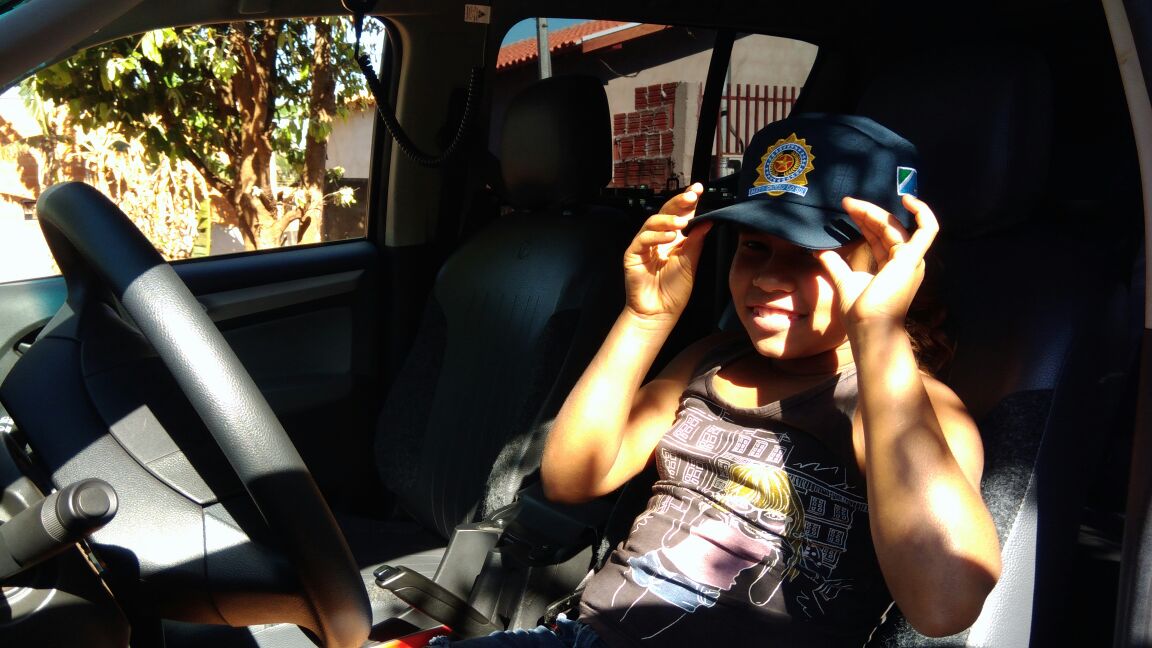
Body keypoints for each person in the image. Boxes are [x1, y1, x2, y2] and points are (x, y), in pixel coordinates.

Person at [429, 113, 1001, 647]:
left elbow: (945, 603)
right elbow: (572, 479)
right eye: (754, 247)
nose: (769, 278)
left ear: (891, 267)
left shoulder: (908, 406)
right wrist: (645, 319)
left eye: (813, 254)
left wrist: (878, 334)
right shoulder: (712, 359)